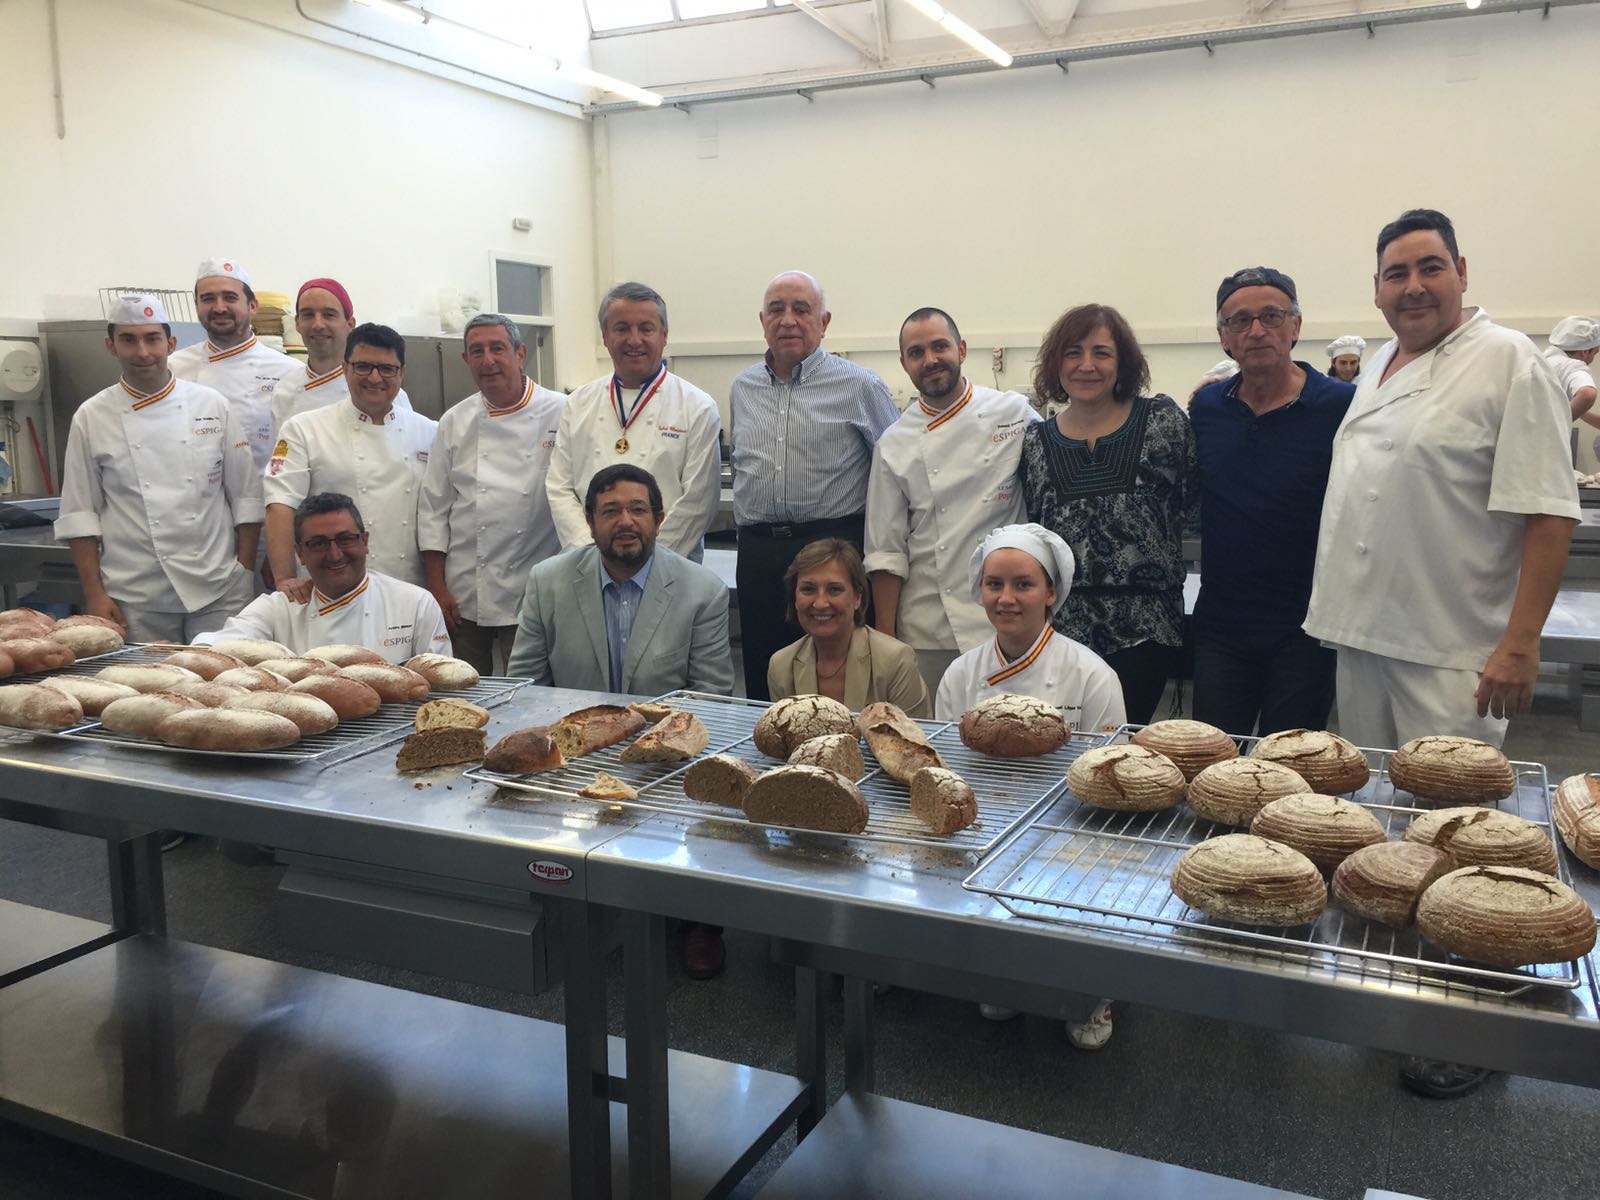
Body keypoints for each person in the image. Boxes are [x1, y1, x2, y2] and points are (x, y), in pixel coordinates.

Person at [1303, 209, 1578, 1100]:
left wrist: (1521, 643)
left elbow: (1550, 512)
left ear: (1462, 271)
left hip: (1453, 648)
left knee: (1465, 847)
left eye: (1429, 268)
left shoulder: (1508, 362)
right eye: (1396, 273)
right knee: (1391, 833)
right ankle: (1406, 995)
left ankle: (1480, 1027)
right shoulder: (1383, 364)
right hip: (1367, 634)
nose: (1413, 286)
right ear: (1377, 289)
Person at [934, 524, 1125, 1047]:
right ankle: (1004, 976)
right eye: (994, 584)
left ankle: (1092, 994)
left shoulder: (1092, 675)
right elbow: (949, 765)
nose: (1007, 598)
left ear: (1051, 594)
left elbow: (1112, 774)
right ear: (980, 591)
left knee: (1079, 896)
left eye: (1023, 584)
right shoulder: (961, 673)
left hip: (1072, 825)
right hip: (988, 819)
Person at [1189, 267, 1354, 736]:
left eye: (1271, 316)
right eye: (1240, 320)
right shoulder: (1208, 408)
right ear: (1224, 337)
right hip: (1222, 626)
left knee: (1293, 761)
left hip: (1307, 628)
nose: (1257, 330)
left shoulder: (1343, 406)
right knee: (1212, 758)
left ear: (1296, 326)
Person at [1018, 304, 1196, 725]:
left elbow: (1193, 505)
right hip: (1062, 628)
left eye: (1101, 352)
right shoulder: (1036, 442)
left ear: (1123, 362)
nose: (1086, 365)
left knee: (1123, 744)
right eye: (1073, 352)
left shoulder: (1162, 422)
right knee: (1063, 744)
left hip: (1146, 626)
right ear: (1056, 363)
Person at [729, 271, 899, 701]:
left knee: (839, 677)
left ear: (823, 322)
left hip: (833, 550)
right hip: (760, 555)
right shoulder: (743, 387)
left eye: (801, 309)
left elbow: (898, 473)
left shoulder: (860, 386)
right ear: (762, 321)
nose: (787, 319)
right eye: (776, 309)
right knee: (765, 676)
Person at [55, 294, 261, 642]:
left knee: (226, 674)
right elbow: (80, 513)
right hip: (136, 594)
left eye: (152, 338)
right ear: (110, 346)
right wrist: (94, 593)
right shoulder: (91, 416)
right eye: (129, 340)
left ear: (171, 343)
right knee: (147, 677)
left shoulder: (211, 404)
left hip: (218, 586)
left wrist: (244, 571)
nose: (143, 352)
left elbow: (246, 498)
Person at [865, 307, 1038, 692]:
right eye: (916, 352)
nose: (930, 359)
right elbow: (885, 552)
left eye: (939, 346)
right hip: (929, 622)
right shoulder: (893, 443)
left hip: (1009, 613)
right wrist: (886, 642)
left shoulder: (1013, 413)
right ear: (904, 364)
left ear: (961, 349)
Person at [418, 313, 566, 676]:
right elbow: (434, 508)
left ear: (520, 354)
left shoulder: (561, 412)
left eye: (497, 348)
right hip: (466, 587)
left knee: (529, 689)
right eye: (477, 351)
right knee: (464, 687)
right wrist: (436, 586)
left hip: (534, 585)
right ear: (466, 360)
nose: (488, 360)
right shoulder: (455, 420)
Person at [507, 463, 734, 697]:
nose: (625, 521)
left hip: (666, 721)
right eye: (611, 511)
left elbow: (711, 694)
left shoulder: (703, 592)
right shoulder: (546, 583)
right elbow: (524, 687)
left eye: (638, 510)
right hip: (570, 719)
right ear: (590, 523)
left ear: (658, 521)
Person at [546, 283, 721, 560]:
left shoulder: (697, 406)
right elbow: (560, 488)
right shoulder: (577, 403)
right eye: (622, 328)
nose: (634, 340)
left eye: (646, 328)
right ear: (605, 336)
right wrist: (593, 558)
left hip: (670, 566)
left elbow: (698, 502)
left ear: (664, 335)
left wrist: (648, 564)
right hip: (589, 564)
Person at [265, 323, 438, 592]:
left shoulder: (429, 431)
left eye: (387, 368)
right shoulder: (304, 429)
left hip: (410, 588)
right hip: (330, 587)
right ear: (345, 369)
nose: (374, 378)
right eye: (363, 367)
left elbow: (437, 516)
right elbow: (280, 505)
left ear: (401, 373)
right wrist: (285, 580)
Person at [195, 492, 450, 664]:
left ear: (364, 542)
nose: (335, 554)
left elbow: (441, 684)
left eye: (345, 539)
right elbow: (221, 644)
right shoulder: (281, 608)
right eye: (318, 544)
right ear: (300, 554)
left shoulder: (415, 604)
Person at [768, 538, 930, 716]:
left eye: (834, 590)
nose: (820, 603)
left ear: (857, 597)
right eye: (808, 589)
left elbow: (916, 734)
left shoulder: (896, 660)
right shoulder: (781, 666)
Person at [170, 257, 299, 474]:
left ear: (252, 306)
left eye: (230, 297)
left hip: (263, 492)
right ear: (197, 307)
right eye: (208, 299)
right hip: (196, 491)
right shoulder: (173, 368)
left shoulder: (289, 371)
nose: (219, 308)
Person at [269, 278, 413, 437]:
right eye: (308, 315)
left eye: (329, 315)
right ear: (297, 323)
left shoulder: (383, 392)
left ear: (350, 324)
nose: (318, 325)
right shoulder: (284, 391)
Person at [1543, 316, 1597, 424]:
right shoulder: (1571, 366)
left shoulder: (1539, 360)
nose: (1592, 359)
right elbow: (1587, 394)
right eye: (1595, 353)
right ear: (1584, 352)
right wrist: (1560, 425)